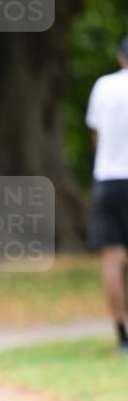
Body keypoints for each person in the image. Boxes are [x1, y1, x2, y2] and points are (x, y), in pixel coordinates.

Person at [86, 36, 128, 354]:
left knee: (112, 259)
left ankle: (122, 335)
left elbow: (96, 136)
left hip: (108, 180)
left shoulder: (103, 86)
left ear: (120, 57)